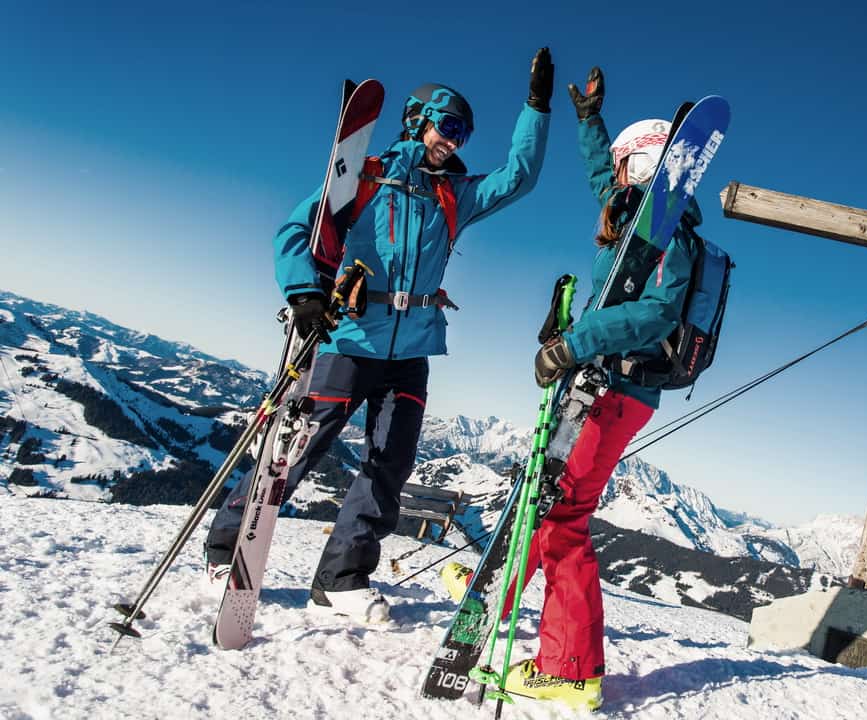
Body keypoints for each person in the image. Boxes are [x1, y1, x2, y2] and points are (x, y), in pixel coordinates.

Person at [204, 48, 555, 623]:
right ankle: (225, 548)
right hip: (349, 340)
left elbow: (520, 177)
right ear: (417, 121)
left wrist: (536, 107)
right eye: (449, 128)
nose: (455, 143)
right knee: (298, 449)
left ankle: (341, 580)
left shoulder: (453, 195)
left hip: (412, 350)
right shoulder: (363, 177)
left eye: (464, 134)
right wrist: (305, 293)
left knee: (390, 464)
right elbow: (295, 229)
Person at [442, 65, 704, 711]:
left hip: (616, 391)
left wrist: (573, 343)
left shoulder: (669, 235)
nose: (611, 174)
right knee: (541, 494)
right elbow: (599, 179)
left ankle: (570, 671)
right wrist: (590, 122)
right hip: (597, 383)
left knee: (562, 519)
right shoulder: (634, 219)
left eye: (622, 164)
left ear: (643, 166)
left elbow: (657, 314)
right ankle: (498, 592)